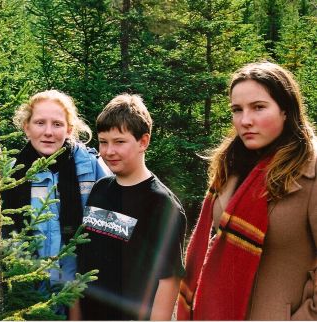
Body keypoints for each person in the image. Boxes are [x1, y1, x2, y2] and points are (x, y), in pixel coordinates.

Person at [177, 62, 317, 320]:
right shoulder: (231, 164)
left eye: (258, 107)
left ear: (286, 110)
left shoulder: (310, 168)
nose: (245, 120)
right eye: (237, 110)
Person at [78, 94, 187, 320]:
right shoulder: (100, 190)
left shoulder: (160, 204)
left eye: (119, 142)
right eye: (103, 141)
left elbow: (169, 280)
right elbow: (86, 259)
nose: (109, 151)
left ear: (143, 142)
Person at [7, 89, 110, 316]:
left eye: (57, 124)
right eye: (40, 123)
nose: (48, 132)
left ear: (69, 129)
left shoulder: (90, 166)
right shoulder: (13, 174)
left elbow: (111, 222)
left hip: (79, 291)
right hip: (27, 290)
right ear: (26, 127)